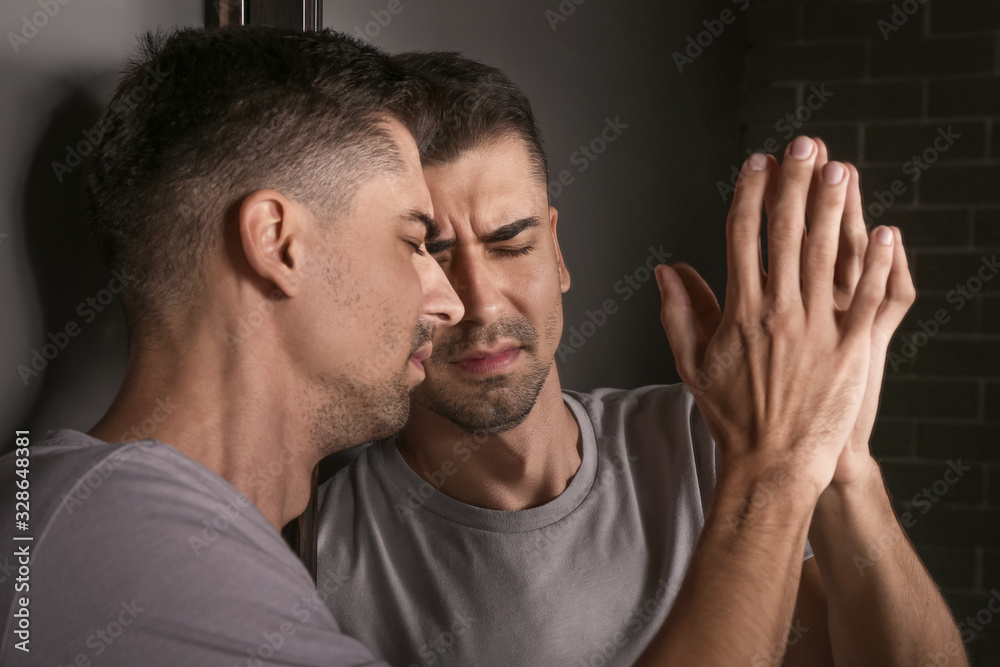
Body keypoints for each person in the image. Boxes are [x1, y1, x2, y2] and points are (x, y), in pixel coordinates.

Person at [314, 52, 967, 666]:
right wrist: (776, 466)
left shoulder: (711, 437)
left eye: (511, 245)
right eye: (432, 254)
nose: (481, 305)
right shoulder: (323, 557)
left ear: (558, 253)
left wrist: (839, 455)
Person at [0, 28, 463, 666]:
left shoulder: (64, 508)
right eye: (413, 242)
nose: (450, 302)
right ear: (277, 242)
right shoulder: (147, 559)